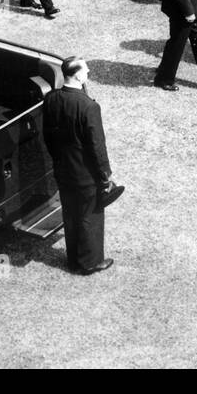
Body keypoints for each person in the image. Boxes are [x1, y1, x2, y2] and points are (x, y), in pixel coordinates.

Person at [41, 57, 119, 275]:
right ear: (76, 75)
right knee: (90, 216)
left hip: (63, 168)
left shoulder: (51, 99)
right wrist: (105, 174)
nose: (89, 71)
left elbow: (47, 135)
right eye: (85, 69)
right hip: (85, 173)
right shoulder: (89, 106)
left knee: (70, 213)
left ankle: (74, 259)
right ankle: (90, 262)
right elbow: (97, 146)